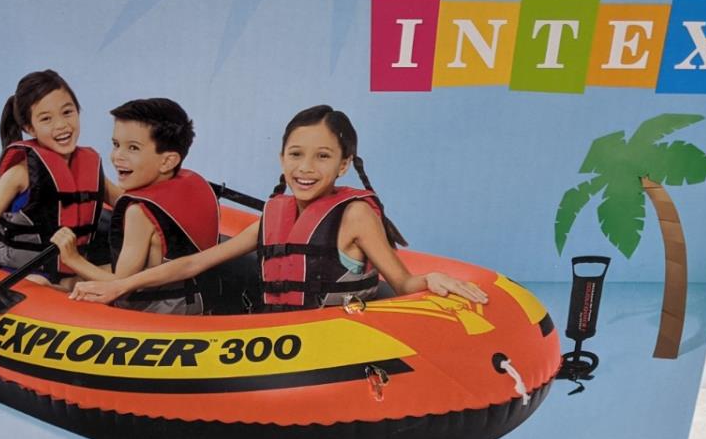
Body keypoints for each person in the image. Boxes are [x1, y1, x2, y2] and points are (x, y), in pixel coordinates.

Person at [71, 104, 489, 310]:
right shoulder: (274, 215)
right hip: (279, 338)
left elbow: (401, 282)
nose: (305, 169)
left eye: (323, 157)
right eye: (296, 155)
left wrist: (431, 279)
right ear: (281, 157)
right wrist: (120, 285)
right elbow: (195, 263)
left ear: (344, 164)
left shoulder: (355, 216)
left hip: (337, 343)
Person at [0, 70, 119, 282]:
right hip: (29, 274)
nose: (61, 125)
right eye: (46, 119)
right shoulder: (20, 173)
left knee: (124, 273)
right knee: (42, 283)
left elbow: (123, 201)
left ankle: (70, 286)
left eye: (67, 112)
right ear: (30, 128)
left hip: (77, 268)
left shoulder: (89, 167)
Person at [49, 97, 219, 314]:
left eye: (133, 148)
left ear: (168, 161)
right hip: (197, 298)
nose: (117, 156)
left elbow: (120, 286)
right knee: (68, 282)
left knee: (55, 284)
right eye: (116, 145)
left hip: (161, 310)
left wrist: (73, 259)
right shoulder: (190, 182)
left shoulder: (138, 213)